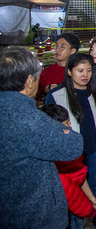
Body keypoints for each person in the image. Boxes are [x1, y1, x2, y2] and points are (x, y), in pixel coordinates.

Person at [0, 47, 83, 229]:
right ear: (29, 81)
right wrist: (63, 129)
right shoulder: (28, 118)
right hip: (34, 215)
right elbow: (74, 145)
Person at [46, 53, 96, 229]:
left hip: (95, 152)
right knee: (74, 196)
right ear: (69, 71)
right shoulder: (57, 95)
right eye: (80, 70)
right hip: (70, 157)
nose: (85, 75)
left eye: (89, 70)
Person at [41, 104, 96, 227]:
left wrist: (91, 196)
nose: (70, 126)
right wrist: (89, 209)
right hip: (59, 207)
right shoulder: (49, 157)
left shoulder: (71, 148)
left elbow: (80, 175)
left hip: (73, 206)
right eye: (66, 124)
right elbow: (71, 193)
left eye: (68, 122)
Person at [38, 32, 81, 100]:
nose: (57, 50)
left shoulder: (80, 71)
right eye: (56, 46)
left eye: (62, 47)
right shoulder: (45, 72)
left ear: (72, 51)